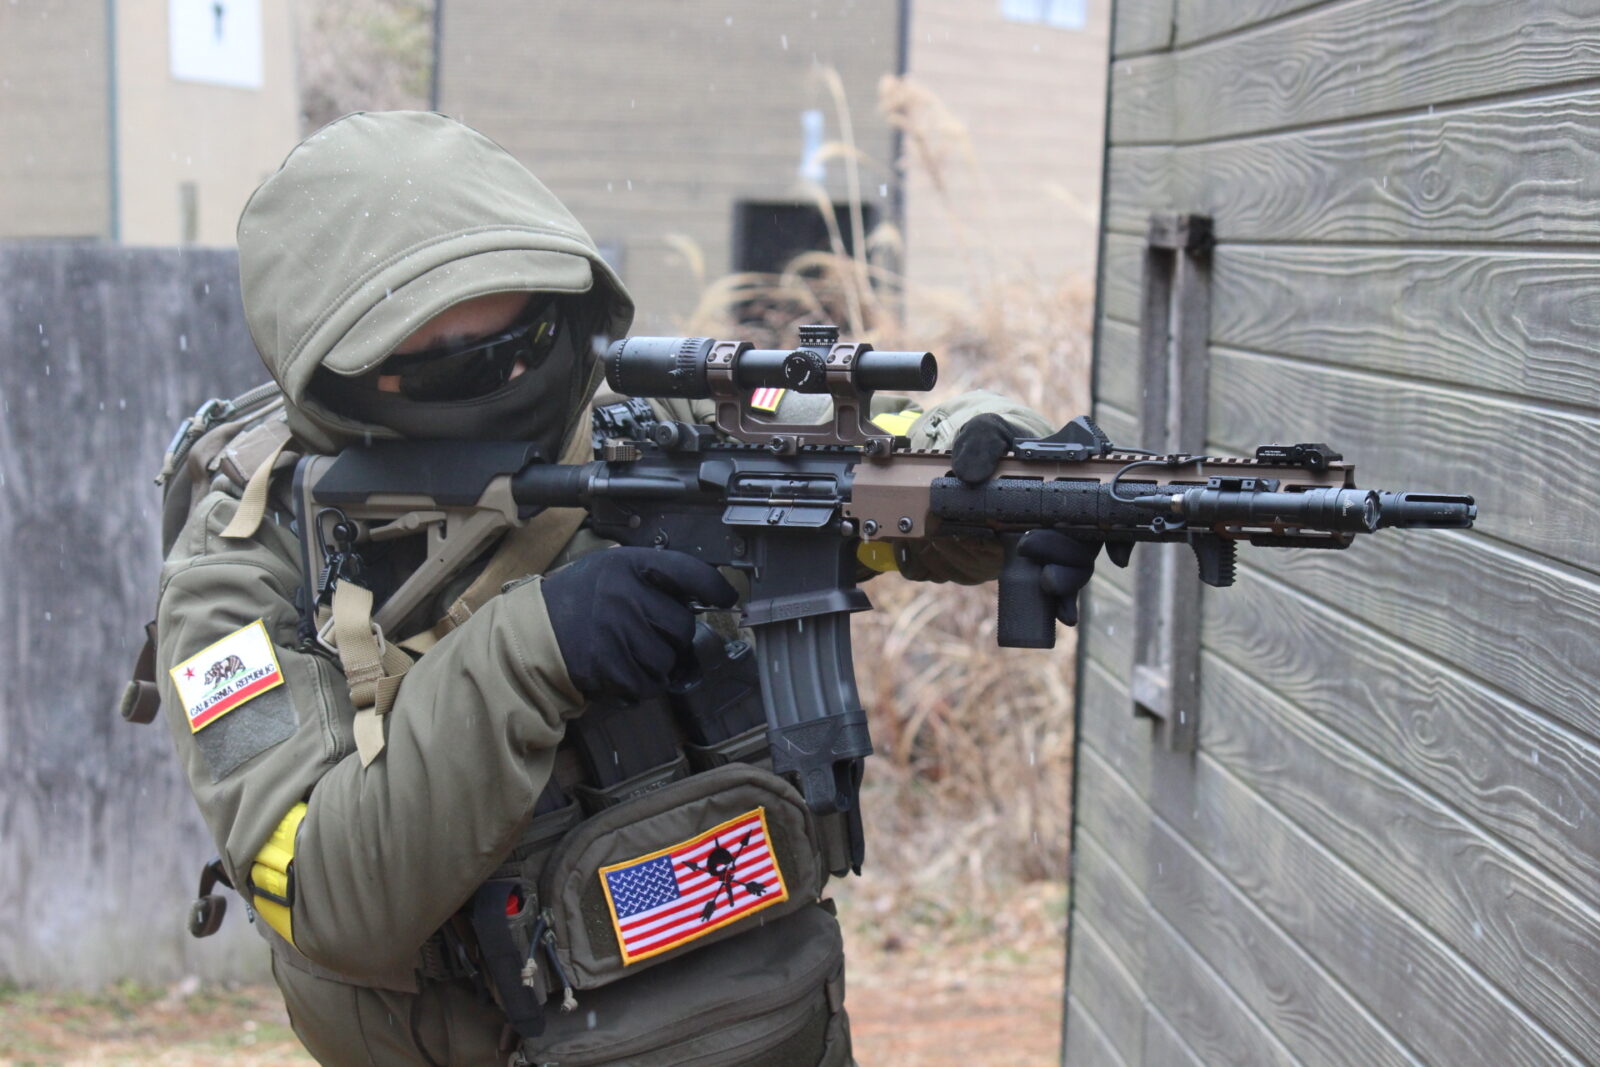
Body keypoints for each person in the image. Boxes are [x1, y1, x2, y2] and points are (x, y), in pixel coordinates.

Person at [150, 111, 1096, 1066]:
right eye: (451, 367)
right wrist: (534, 650)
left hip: (766, 1024)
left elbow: (885, 451)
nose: (508, 379)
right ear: (340, 376)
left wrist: (1003, 473)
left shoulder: (660, 416)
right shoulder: (239, 575)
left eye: (526, 338)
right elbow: (326, 897)